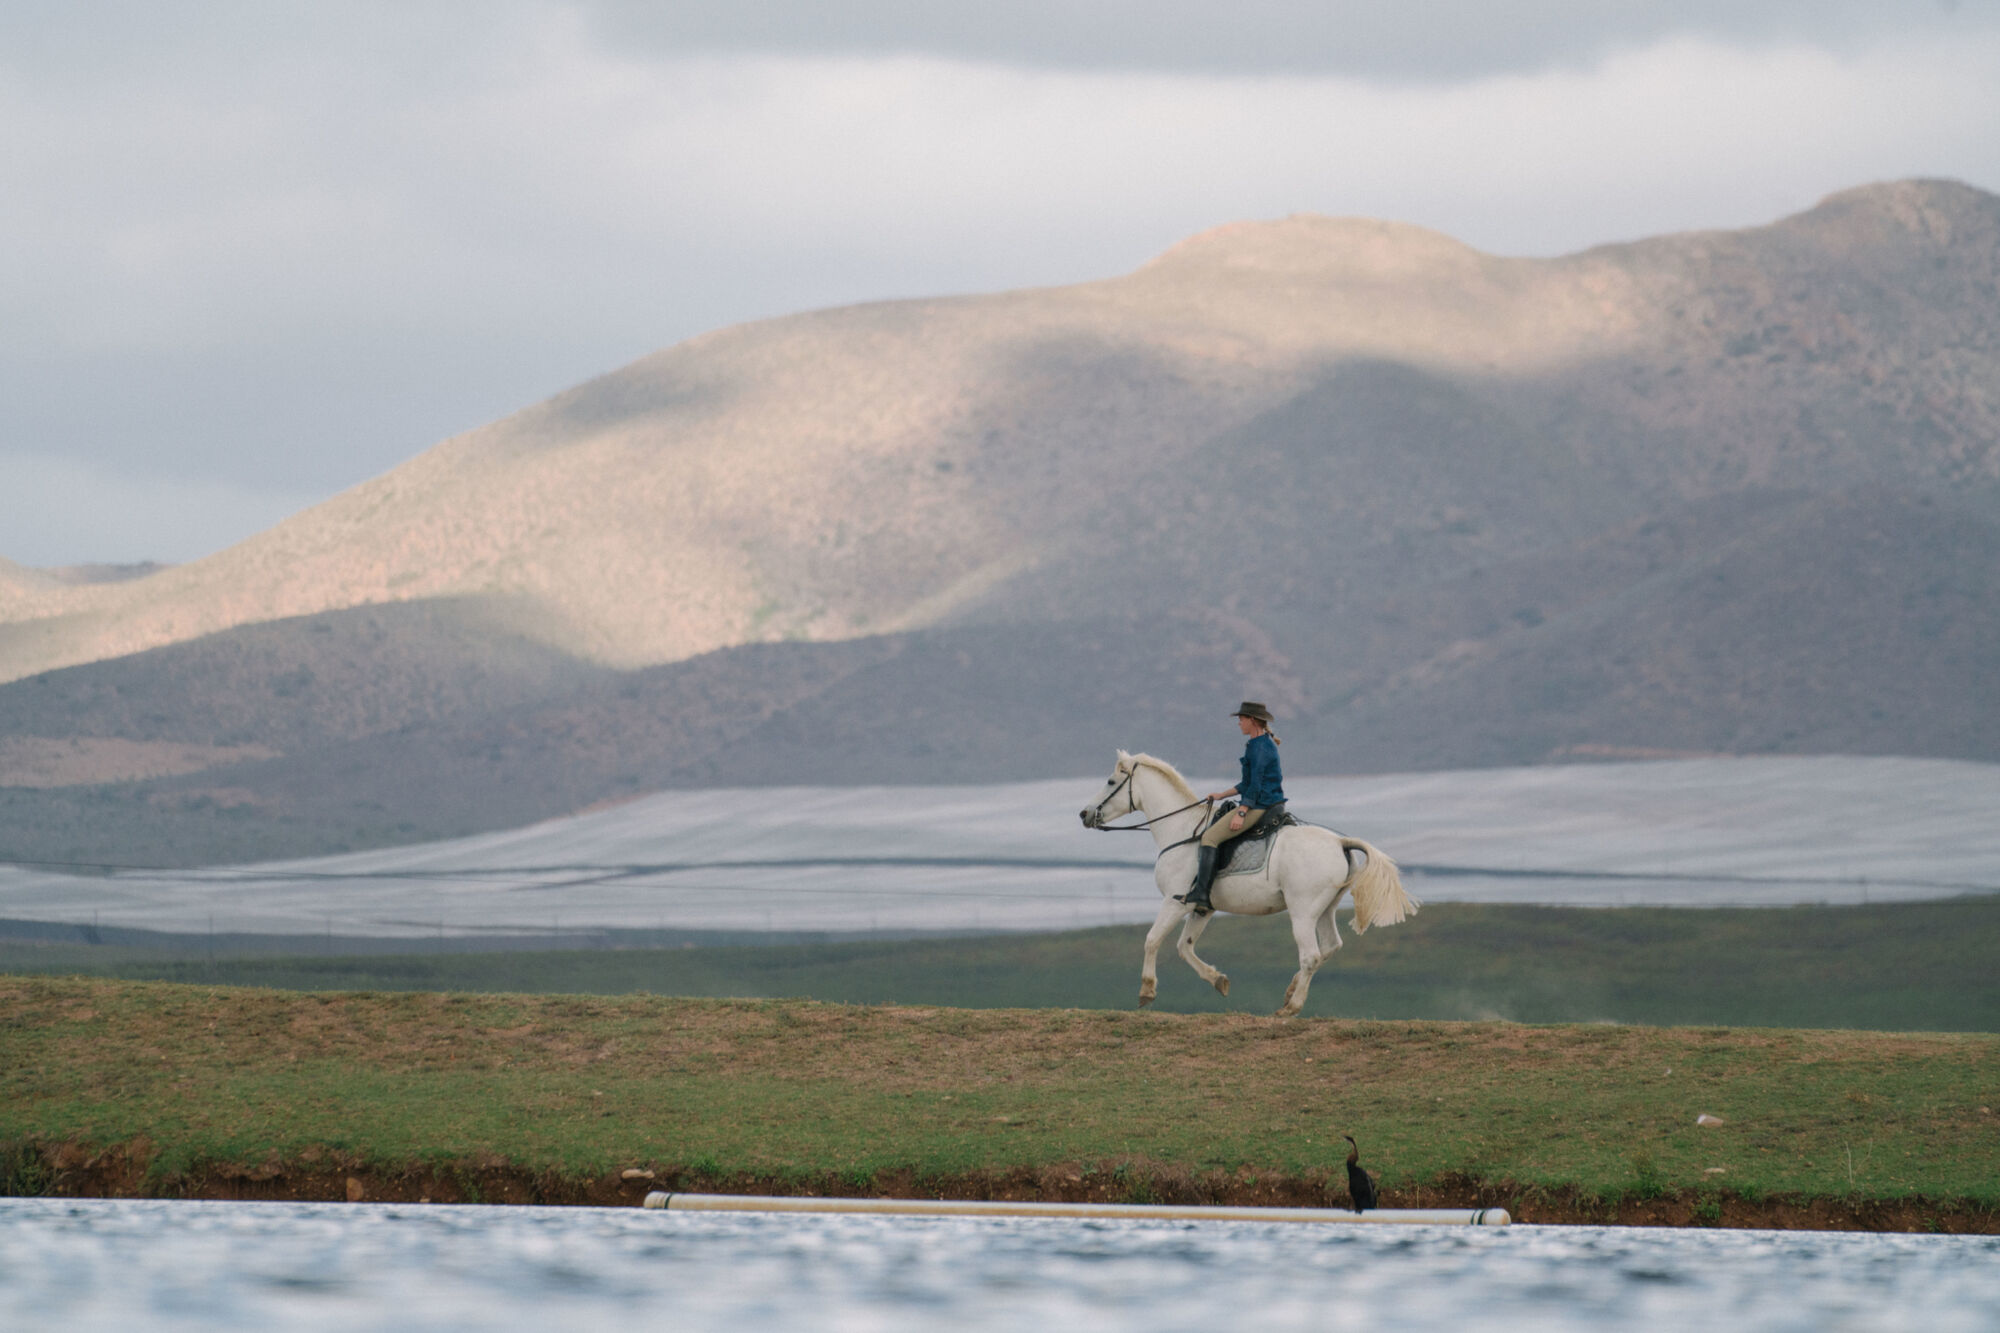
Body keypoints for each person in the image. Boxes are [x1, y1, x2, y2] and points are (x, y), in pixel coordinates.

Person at [1177, 701, 1287, 915]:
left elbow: (1255, 787)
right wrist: (1221, 794)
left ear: (1252, 720)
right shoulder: (1257, 743)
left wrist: (1242, 812)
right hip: (1263, 801)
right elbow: (1246, 784)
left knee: (1209, 838)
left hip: (1262, 805)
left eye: (1241, 719)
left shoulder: (1261, 747)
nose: (1239, 723)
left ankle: (1201, 895)